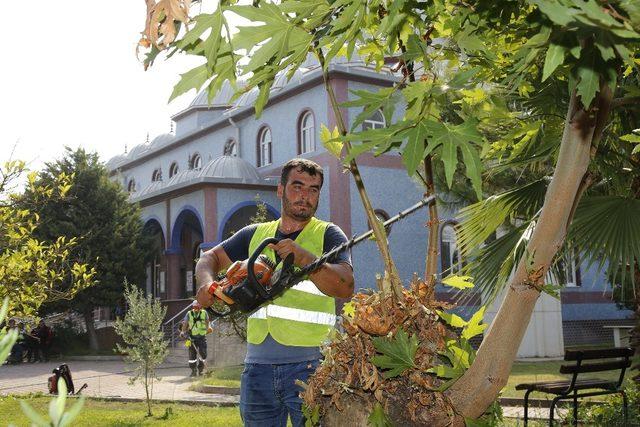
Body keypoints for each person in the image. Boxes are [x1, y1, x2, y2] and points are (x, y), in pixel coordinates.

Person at [196, 158, 354, 427]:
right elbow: (207, 258)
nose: (305, 196)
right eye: (297, 186)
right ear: (280, 190)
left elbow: (345, 287)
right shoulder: (255, 234)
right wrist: (205, 284)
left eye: (313, 190)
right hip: (257, 369)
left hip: (312, 367)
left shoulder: (329, 234)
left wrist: (305, 258)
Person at [181, 300, 211, 377]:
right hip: (192, 337)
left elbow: (207, 322)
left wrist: (208, 328)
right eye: (195, 307)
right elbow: (185, 323)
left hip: (202, 336)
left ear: (200, 307)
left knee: (203, 354)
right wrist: (183, 332)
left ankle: (200, 370)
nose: (197, 308)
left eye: (198, 307)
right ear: (193, 307)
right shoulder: (189, 313)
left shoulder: (204, 313)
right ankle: (193, 371)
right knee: (192, 356)